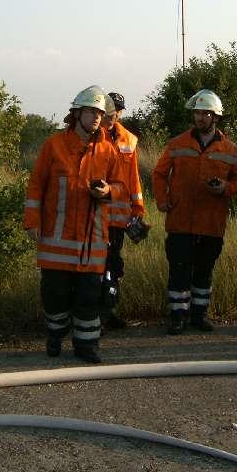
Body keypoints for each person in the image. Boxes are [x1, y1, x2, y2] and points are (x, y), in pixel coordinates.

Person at [23, 85, 125, 364]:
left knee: (89, 296)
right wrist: (31, 221)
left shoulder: (108, 150)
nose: (96, 117)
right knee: (54, 294)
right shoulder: (54, 145)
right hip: (56, 242)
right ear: (77, 113)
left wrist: (108, 191)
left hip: (92, 241)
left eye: (100, 113)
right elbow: (36, 185)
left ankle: (86, 344)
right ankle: (55, 335)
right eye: (91, 111)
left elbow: (121, 187)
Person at [152, 89, 237, 335]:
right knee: (179, 271)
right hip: (180, 220)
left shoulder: (231, 150)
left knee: (204, 272)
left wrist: (225, 187)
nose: (200, 117)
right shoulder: (177, 143)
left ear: (216, 117)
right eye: (197, 113)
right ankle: (177, 316)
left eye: (205, 113)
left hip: (211, 223)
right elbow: (159, 174)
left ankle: (199, 315)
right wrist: (162, 199)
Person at [98, 91, 145, 329]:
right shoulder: (93, 135)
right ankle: (93, 315)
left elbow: (133, 178)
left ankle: (108, 312)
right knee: (96, 266)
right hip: (94, 216)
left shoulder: (129, 139)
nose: (114, 113)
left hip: (118, 219)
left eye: (118, 109)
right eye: (110, 108)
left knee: (113, 265)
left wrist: (138, 209)